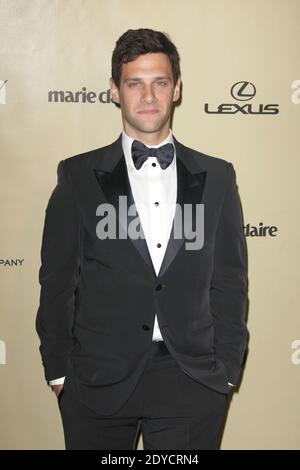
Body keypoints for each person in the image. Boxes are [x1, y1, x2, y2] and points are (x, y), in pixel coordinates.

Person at [36, 28, 248, 450]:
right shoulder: (79, 177)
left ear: (178, 89)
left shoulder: (217, 177)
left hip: (190, 380)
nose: (148, 96)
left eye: (160, 82)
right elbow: (57, 281)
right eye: (134, 83)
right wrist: (59, 374)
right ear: (114, 91)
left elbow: (229, 281)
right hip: (96, 383)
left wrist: (225, 372)